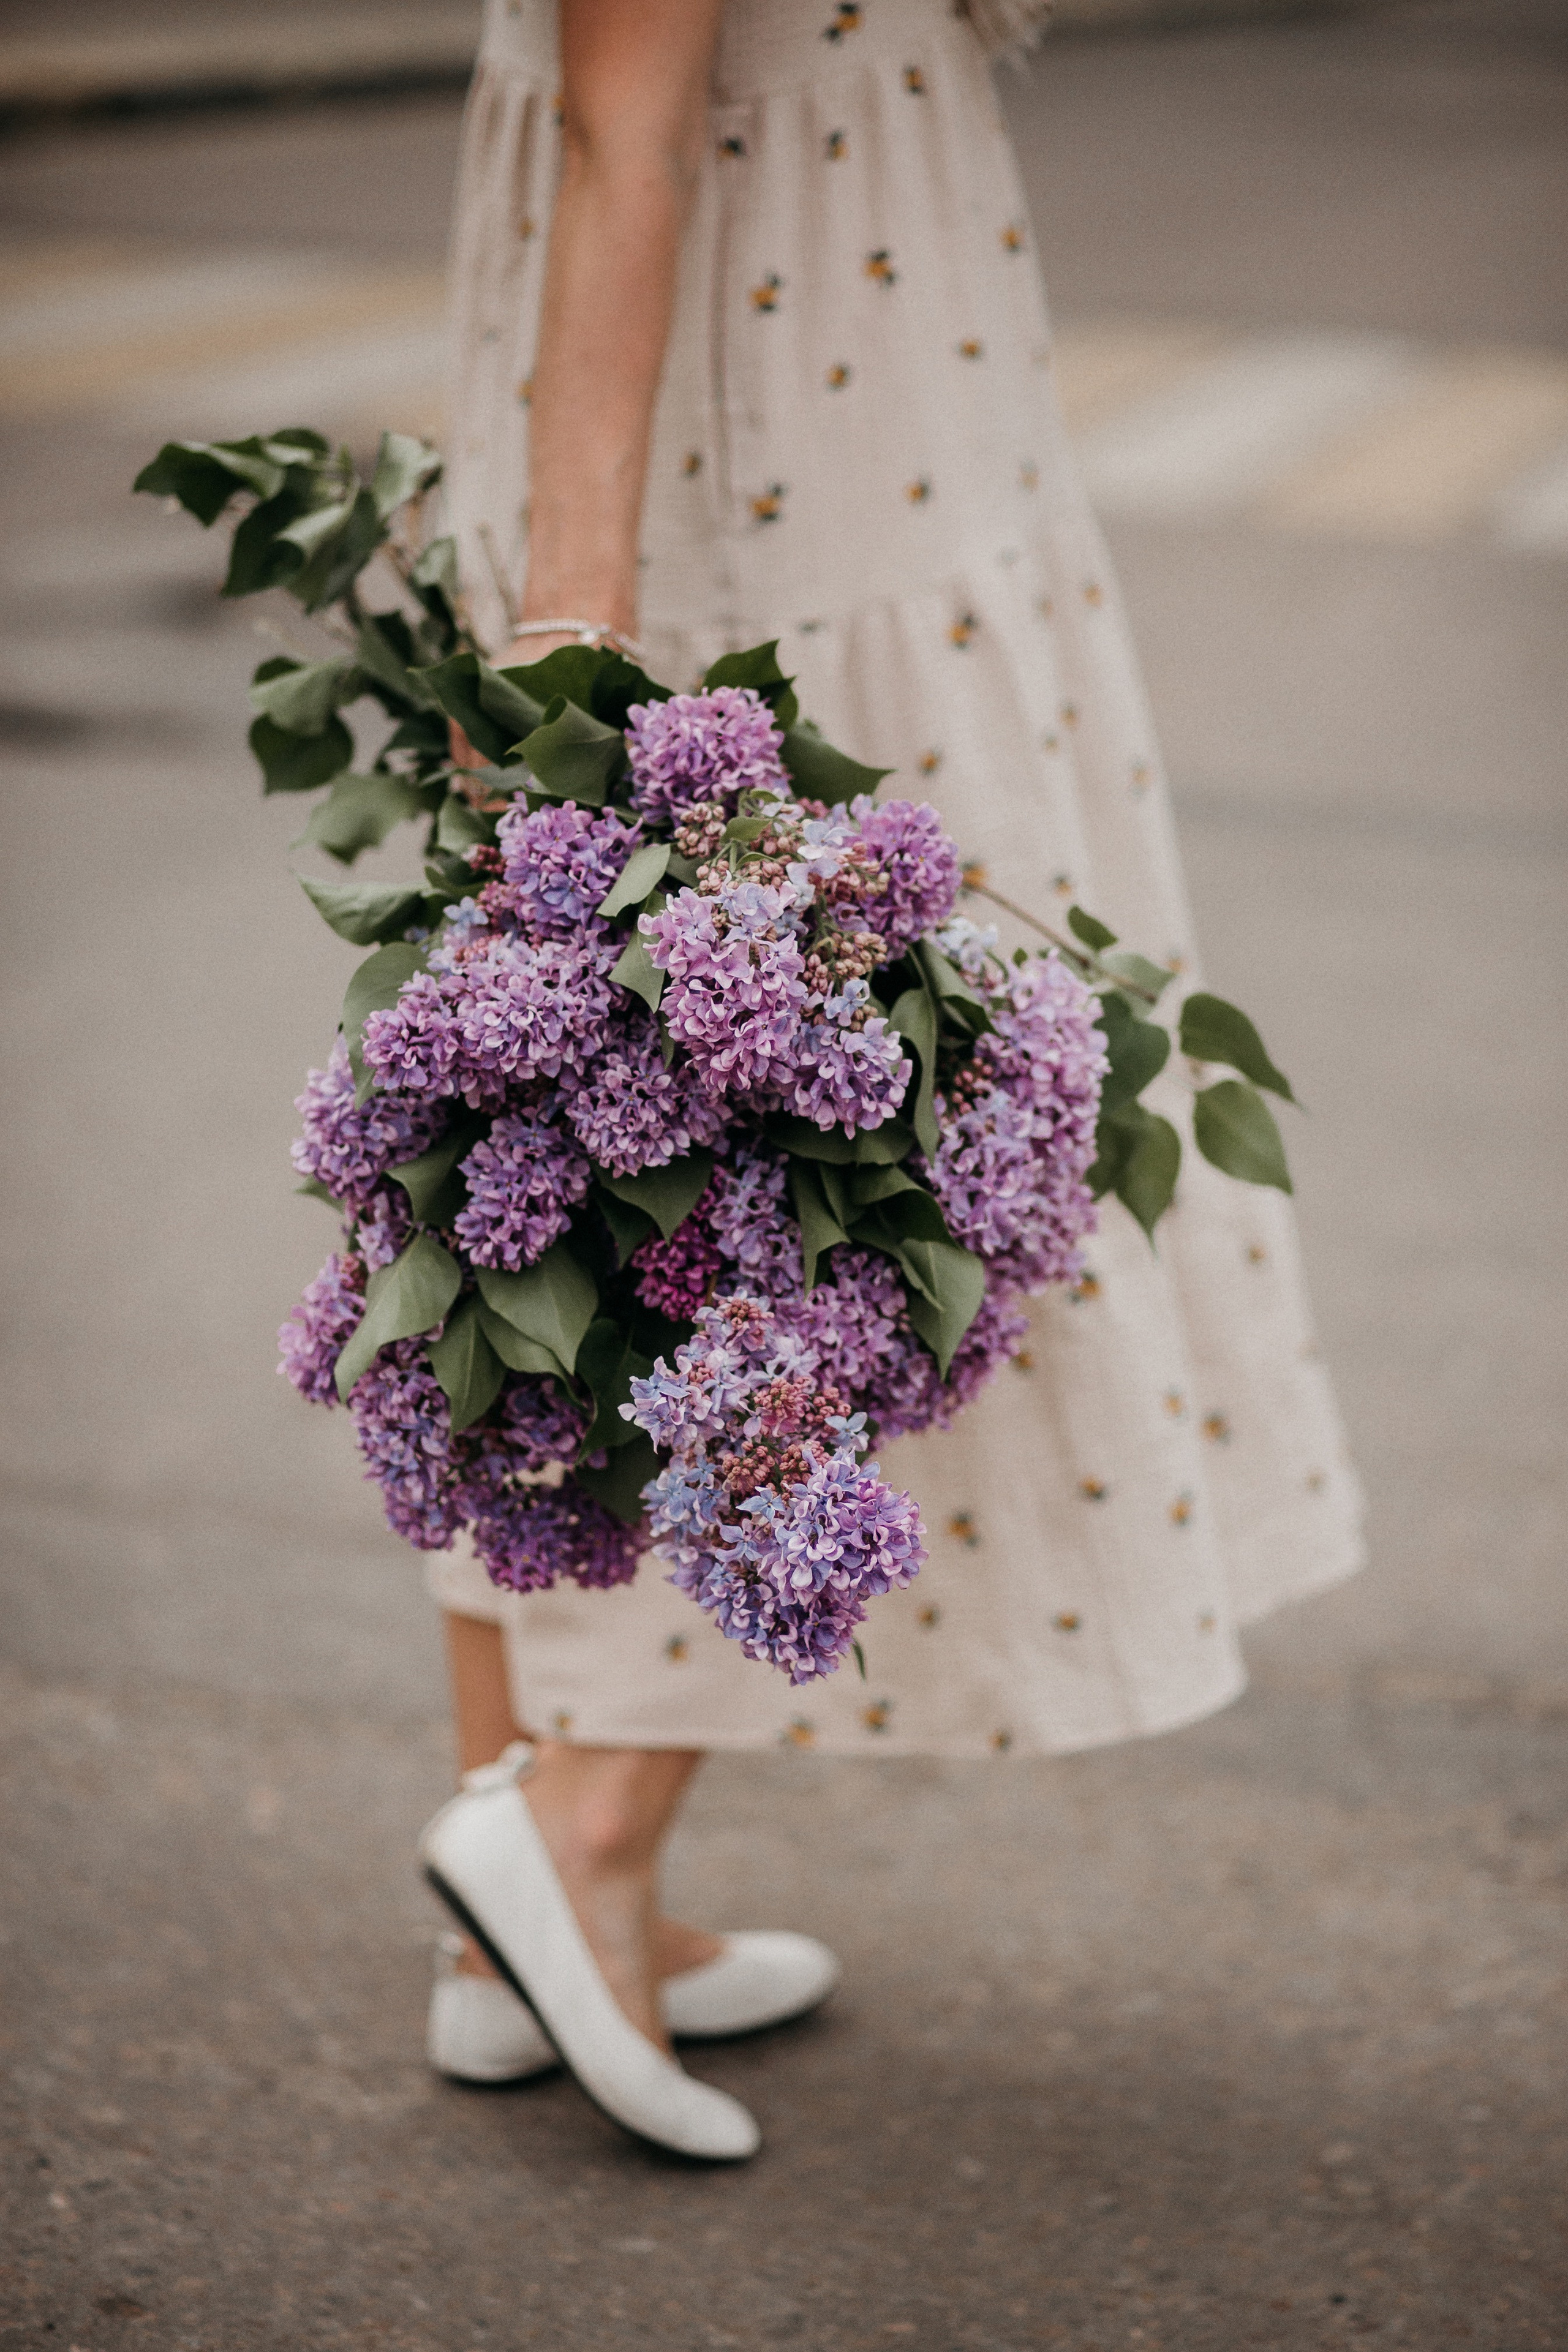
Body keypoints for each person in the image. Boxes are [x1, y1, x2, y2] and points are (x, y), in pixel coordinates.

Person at [417, 0, 1364, 2161]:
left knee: (550, 1173)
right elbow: (628, 123)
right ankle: (571, 1849)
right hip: (787, 468)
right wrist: (572, 626)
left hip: (811, 392)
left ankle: (525, 1922)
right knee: (874, 1177)